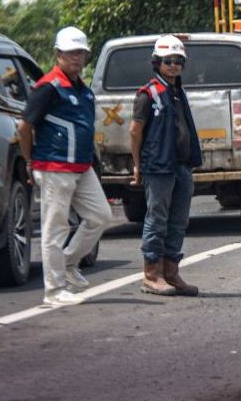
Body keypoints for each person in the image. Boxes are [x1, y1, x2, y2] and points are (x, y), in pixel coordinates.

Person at [18, 26, 114, 307]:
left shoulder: (82, 90)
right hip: (54, 166)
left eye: (80, 53)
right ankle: (53, 290)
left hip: (82, 167)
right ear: (58, 54)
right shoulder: (48, 87)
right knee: (54, 227)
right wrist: (29, 160)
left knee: (101, 216)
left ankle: (69, 262)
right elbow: (25, 126)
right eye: (70, 52)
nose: (76, 57)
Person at [130, 35, 203, 297]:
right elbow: (135, 131)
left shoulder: (177, 92)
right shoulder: (147, 94)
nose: (173, 65)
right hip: (158, 167)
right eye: (168, 61)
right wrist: (138, 166)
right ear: (157, 62)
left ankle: (171, 273)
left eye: (178, 61)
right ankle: (152, 274)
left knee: (179, 220)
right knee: (157, 219)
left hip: (181, 166)